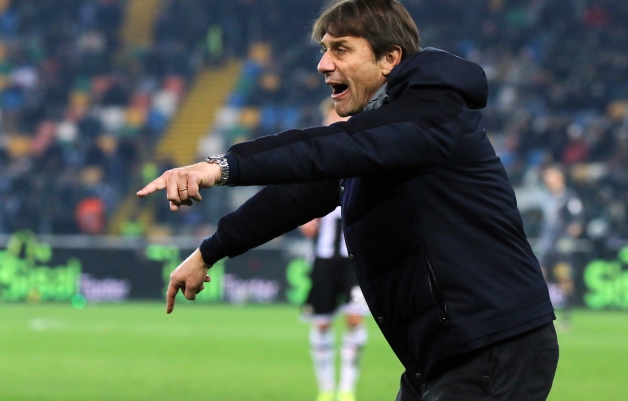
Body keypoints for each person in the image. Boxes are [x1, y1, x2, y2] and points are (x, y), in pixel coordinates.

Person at [137, 1, 559, 400]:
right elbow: (297, 195)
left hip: (491, 346)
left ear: (389, 59)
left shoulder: (431, 114)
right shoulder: (383, 130)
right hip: (445, 353)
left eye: (341, 49)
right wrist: (209, 252)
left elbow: (322, 149)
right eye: (324, 50)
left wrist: (219, 167)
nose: (323, 65)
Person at [298, 99, 368, 401]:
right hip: (324, 258)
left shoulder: (364, 161)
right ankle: (325, 389)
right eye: (330, 123)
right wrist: (307, 219)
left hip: (355, 258)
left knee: (354, 318)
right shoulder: (315, 167)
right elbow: (300, 213)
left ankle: (347, 389)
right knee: (322, 322)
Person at [535, 164, 584, 331]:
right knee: (537, 278)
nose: (546, 179)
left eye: (550, 176)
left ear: (559, 178)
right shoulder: (546, 197)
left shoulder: (569, 198)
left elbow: (577, 222)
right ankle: (540, 316)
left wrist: (568, 239)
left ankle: (567, 317)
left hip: (561, 246)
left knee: (564, 279)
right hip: (546, 245)